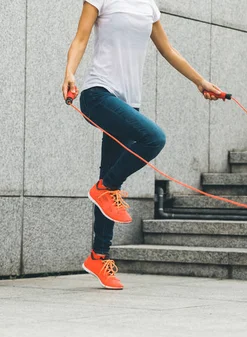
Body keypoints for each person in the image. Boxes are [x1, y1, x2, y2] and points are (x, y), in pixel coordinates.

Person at [62, 0, 224, 290]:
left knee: (109, 178)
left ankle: (99, 256)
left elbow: (168, 50)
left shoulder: (149, 5)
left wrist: (200, 81)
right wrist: (69, 72)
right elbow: (81, 37)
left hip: (128, 103)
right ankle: (103, 190)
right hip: (98, 94)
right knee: (153, 138)